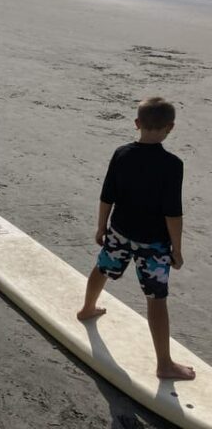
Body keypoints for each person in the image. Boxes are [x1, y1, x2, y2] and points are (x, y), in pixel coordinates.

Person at [77, 97, 195, 381]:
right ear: (170, 127)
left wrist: (100, 227)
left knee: (102, 268)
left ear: (137, 123)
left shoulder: (121, 154)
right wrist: (177, 250)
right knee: (156, 298)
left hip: (119, 232)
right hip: (153, 245)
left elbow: (107, 195)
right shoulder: (172, 165)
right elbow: (172, 213)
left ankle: (87, 308)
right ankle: (164, 364)